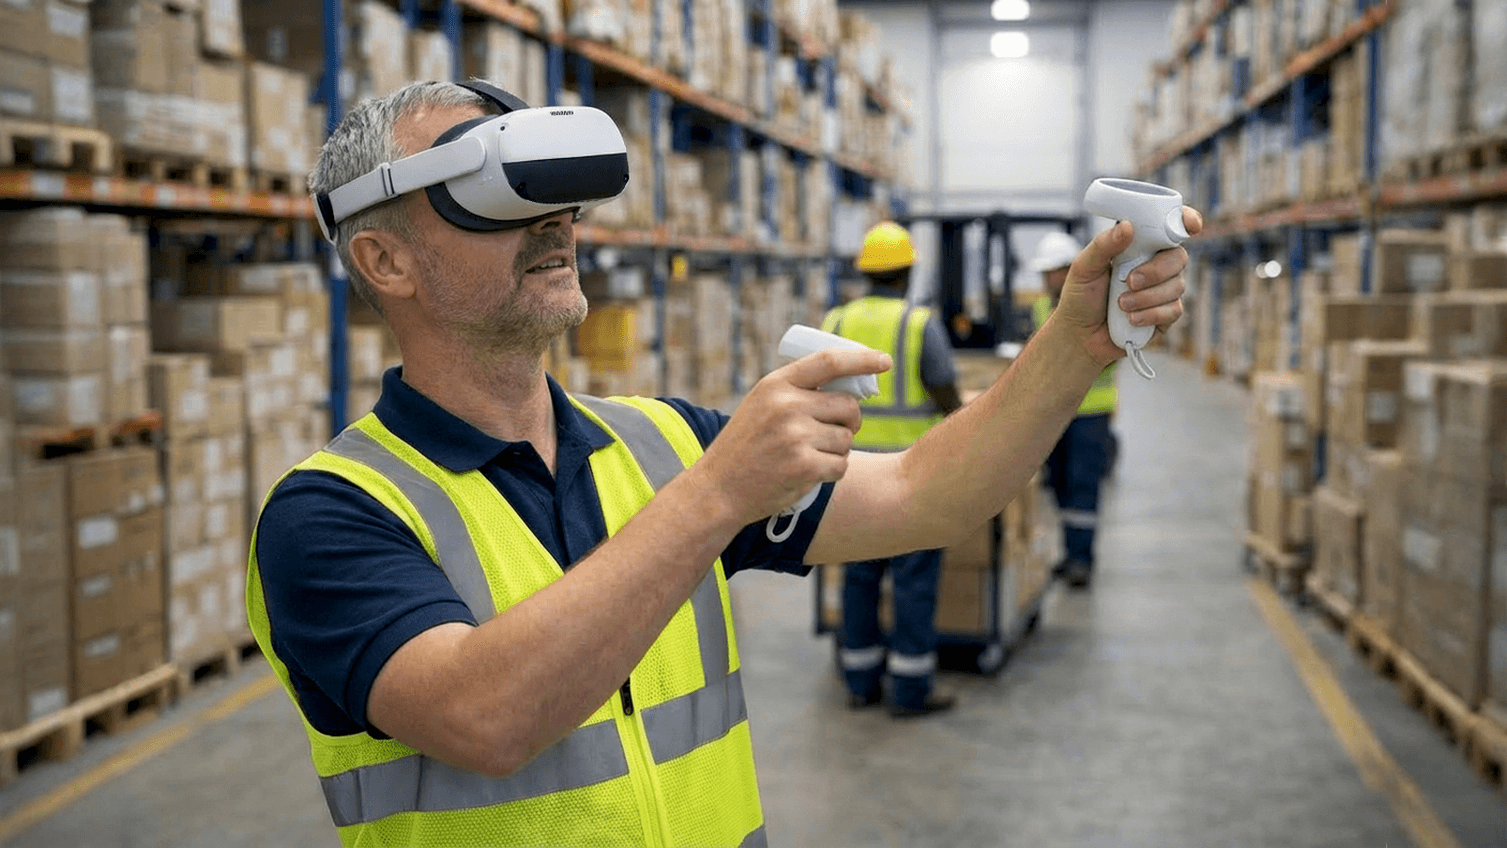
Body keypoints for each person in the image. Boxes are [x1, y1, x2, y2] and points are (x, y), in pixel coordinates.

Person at [250, 79, 1196, 847]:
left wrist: (1074, 341)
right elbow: (482, 718)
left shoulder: (658, 441)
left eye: (556, 198)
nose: (555, 223)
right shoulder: (331, 514)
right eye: (496, 198)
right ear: (385, 261)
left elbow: (922, 494)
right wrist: (717, 492)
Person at [820, 222, 962, 718]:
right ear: (907, 272)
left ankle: (860, 682)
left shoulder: (835, 320)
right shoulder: (918, 323)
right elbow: (944, 389)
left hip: (848, 473)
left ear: (865, 272)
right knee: (913, 582)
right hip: (909, 475)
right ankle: (910, 690)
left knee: (858, 576)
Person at [1029, 230, 1118, 589]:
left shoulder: (1097, 306)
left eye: (1052, 271)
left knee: (1082, 485)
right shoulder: (1040, 308)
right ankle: (1070, 554)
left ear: (1069, 270)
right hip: (1055, 413)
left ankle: (1082, 560)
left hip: (1090, 412)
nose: (1047, 279)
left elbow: (1109, 356)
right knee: (1060, 483)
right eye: (1045, 273)